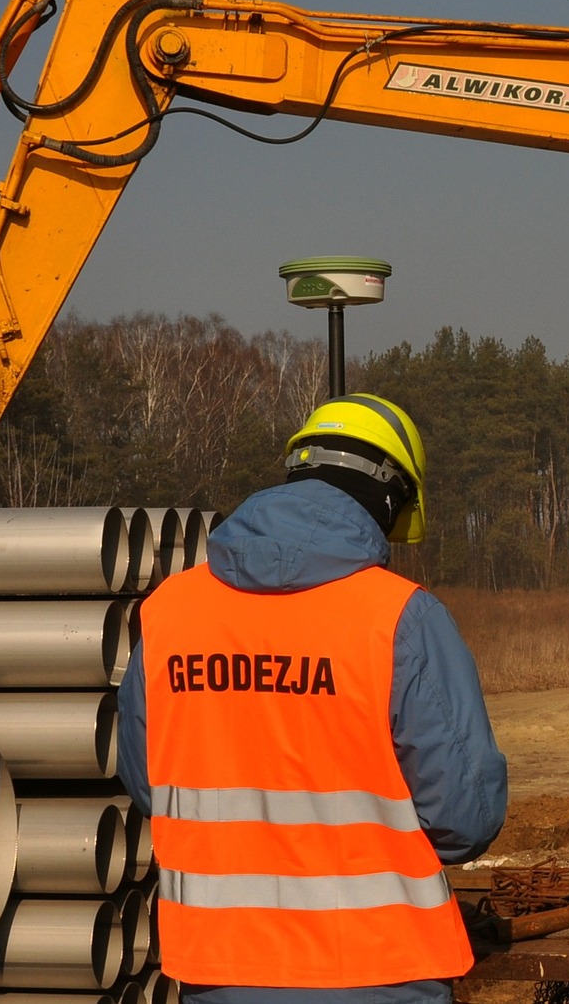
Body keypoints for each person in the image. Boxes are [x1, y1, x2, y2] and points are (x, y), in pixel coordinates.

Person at [116, 393, 508, 1004]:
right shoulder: (400, 617)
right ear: (391, 496)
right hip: (379, 971)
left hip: (219, 970)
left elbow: (150, 787)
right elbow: (466, 817)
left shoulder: (169, 614)